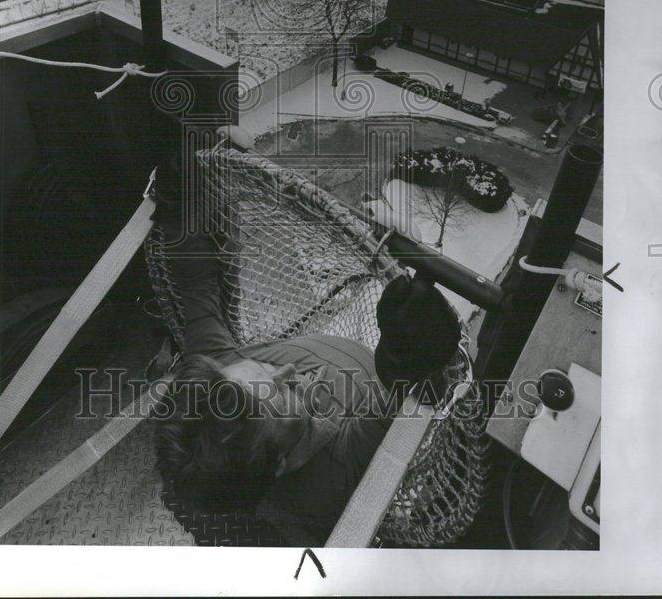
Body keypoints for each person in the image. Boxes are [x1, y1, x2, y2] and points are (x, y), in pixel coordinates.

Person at [151, 173, 461, 547]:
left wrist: (179, 209)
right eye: (284, 397)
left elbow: (196, 284)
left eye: (264, 368)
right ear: (281, 464)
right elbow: (408, 401)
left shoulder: (219, 366)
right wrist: (406, 361)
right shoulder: (337, 474)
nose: (289, 370)